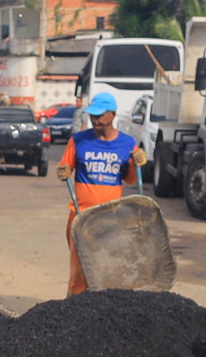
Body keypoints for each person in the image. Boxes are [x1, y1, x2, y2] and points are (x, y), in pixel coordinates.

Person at [56, 92, 147, 295]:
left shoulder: (127, 143)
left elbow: (131, 180)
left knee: (109, 270)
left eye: (100, 115)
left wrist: (136, 164)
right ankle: (75, 307)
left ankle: (104, 309)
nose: (95, 119)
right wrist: (63, 171)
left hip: (111, 218)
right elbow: (65, 168)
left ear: (113, 114)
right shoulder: (79, 141)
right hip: (81, 216)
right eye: (93, 115)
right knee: (80, 271)